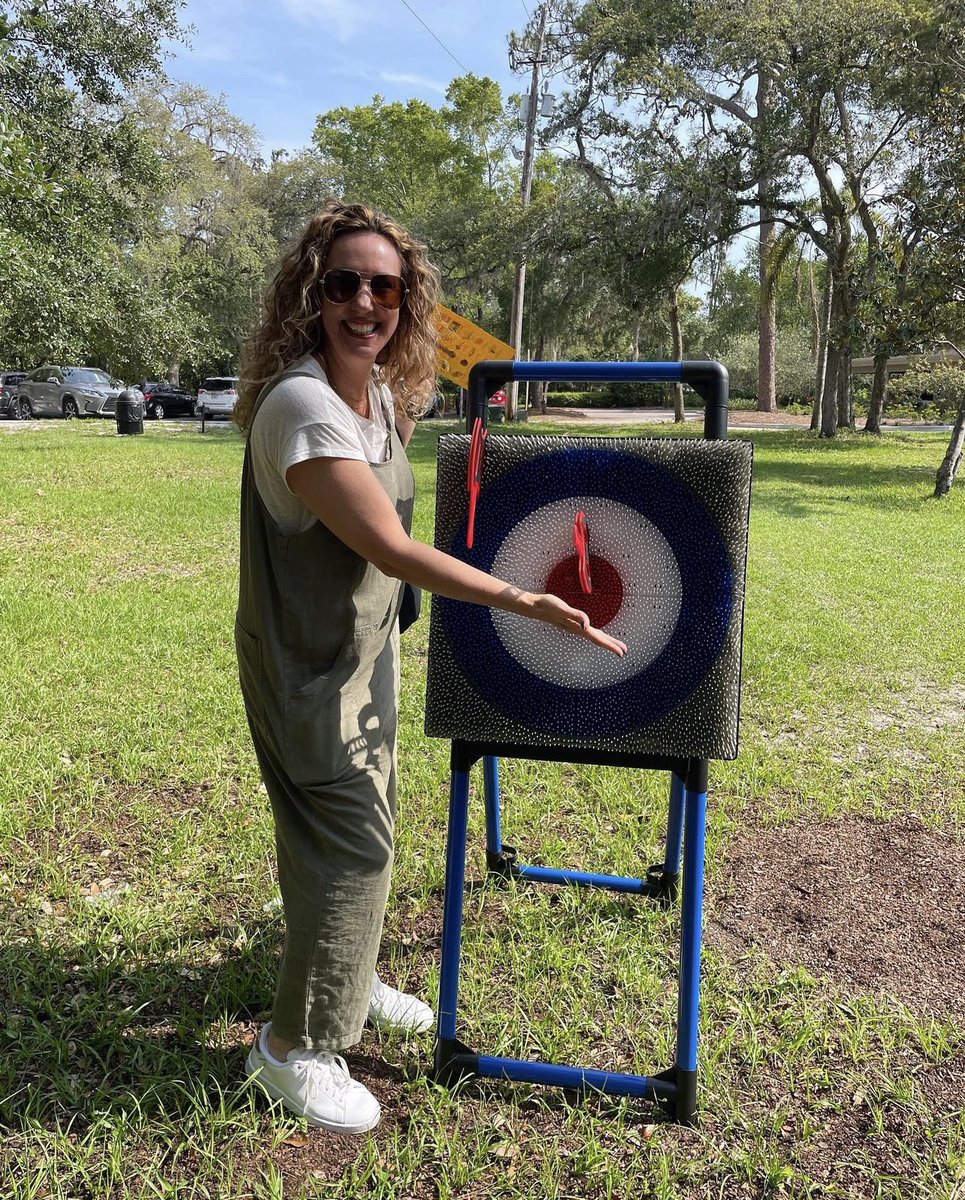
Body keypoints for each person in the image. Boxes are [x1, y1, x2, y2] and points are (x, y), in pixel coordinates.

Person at [233, 199, 627, 1135]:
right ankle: (292, 1047)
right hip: (308, 663)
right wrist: (524, 601)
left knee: (350, 830)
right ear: (310, 293)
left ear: (408, 302)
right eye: (343, 284)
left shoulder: (371, 396)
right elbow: (393, 547)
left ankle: (350, 975)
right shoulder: (302, 405)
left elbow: (415, 470)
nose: (364, 301)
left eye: (385, 287)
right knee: (351, 843)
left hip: (362, 654)